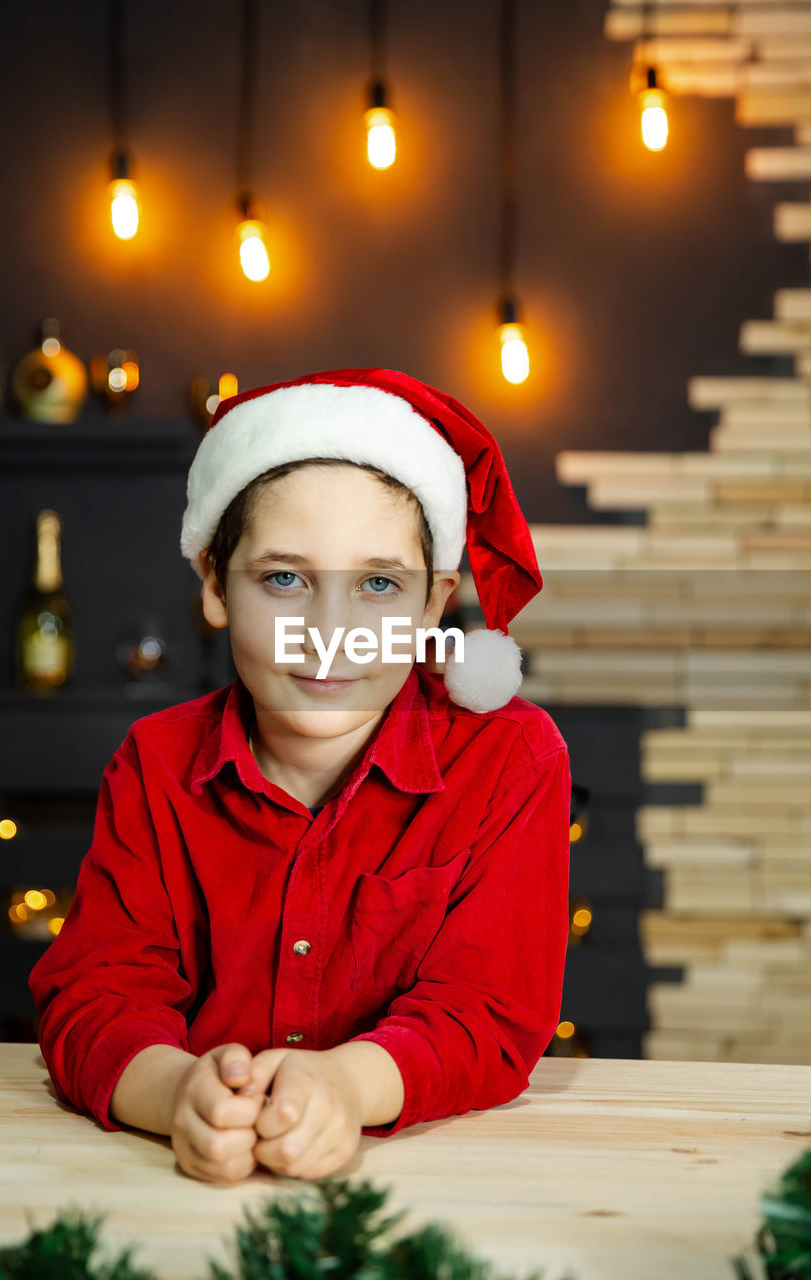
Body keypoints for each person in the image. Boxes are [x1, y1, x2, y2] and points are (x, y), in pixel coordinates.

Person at [28, 366, 572, 1186]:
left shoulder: (510, 761)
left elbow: (487, 1013)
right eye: (284, 578)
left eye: (378, 585)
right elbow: (95, 995)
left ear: (433, 606)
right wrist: (178, 1092)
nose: (329, 632)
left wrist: (344, 1086)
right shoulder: (154, 764)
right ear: (214, 584)